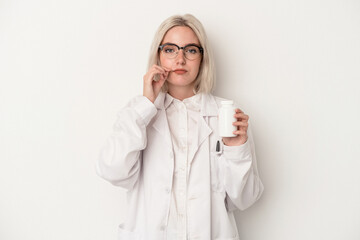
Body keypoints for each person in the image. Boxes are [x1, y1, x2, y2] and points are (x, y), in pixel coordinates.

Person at [96, 14, 264, 240]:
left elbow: (244, 199)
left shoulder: (226, 116)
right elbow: (113, 170)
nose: (180, 59)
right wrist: (146, 105)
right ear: (158, 55)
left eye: (191, 50)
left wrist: (236, 150)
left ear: (203, 58)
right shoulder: (138, 113)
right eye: (170, 49)